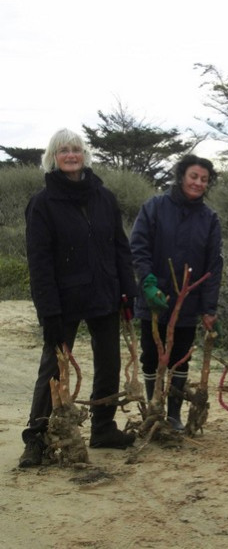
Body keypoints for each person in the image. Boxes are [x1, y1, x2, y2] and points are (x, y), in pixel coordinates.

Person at [20, 129, 138, 467]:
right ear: (53, 158)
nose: (71, 155)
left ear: (84, 155)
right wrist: (49, 314)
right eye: (63, 150)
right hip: (64, 300)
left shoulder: (104, 197)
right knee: (53, 369)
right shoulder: (42, 203)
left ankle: (103, 428)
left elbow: (120, 246)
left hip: (105, 293)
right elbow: (39, 263)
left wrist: (126, 288)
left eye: (76, 149)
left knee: (109, 363)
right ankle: (37, 438)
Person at [130, 155, 223, 431]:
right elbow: (139, 246)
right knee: (151, 355)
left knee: (181, 356)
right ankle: (153, 410)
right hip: (155, 297)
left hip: (189, 301)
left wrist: (209, 308)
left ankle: (174, 415)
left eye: (204, 180)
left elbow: (213, 266)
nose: (198, 183)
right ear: (182, 176)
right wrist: (147, 284)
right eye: (194, 176)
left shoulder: (209, 218)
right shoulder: (155, 207)